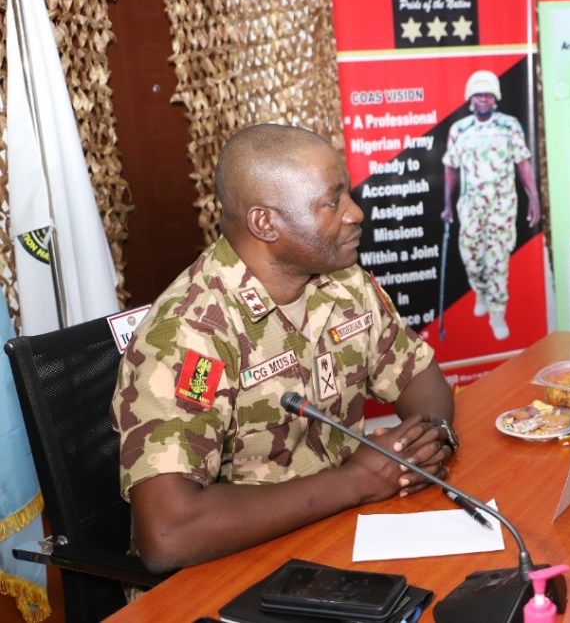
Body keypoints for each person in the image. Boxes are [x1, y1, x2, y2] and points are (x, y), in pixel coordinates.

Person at [111, 124, 457, 572]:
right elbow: (168, 534)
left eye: (348, 194)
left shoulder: (342, 281)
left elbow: (417, 375)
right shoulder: (190, 332)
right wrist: (357, 481)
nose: (355, 213)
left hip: (336, 533)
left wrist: (425, 442)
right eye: (332, 202)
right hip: (234, 570)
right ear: (265, 223)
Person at [441, 69, 541, 341]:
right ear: (470, 98)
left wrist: (533, 198)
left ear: (495, 97)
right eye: (478, 95)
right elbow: (450, 167)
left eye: (487, 94)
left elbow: (523, 163)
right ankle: (482, 292)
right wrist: (447, 204)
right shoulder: (459, 130)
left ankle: (497, 313)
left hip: (502, 207)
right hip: (470, 207)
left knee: (497, 259)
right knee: (471, 256)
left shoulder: (510, 126)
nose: (483, 99)